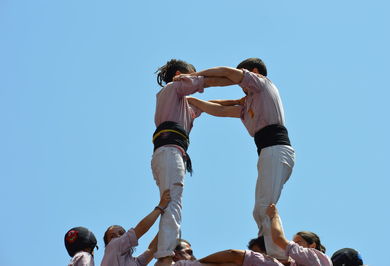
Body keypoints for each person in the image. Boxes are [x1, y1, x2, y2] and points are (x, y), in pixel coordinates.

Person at [175, 58, 295, 260]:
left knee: (265, 207)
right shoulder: (249, 102)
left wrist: (192, 77)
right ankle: (267, 250)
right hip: (268, 151)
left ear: (255, 72)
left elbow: (226, 72)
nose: (239, 84)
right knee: (260, 210)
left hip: (276, 149)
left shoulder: (262, 84)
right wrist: (192, 103)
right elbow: (221, 108)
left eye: (243, 75)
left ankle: (280, 257)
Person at [152, 59, 232, 266]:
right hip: (169, 152)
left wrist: (240, 101)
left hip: (170, 153)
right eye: (192, 75)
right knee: (173, 203)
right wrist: (239, 78)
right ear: (180, 75)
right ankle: (165, 256)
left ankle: (166, 251)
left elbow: (213, 105)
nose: (196, 80)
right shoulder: (173, 88)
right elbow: (208, 81)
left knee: (173, 203)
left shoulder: (182, 103)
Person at [100, 189, 171, 266]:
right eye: (112, 236)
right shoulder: (113, 246)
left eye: (121, 233)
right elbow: (141, 228)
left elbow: (152, 250)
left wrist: (168, 225)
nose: (117, 236)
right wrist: (160, 207)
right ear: (107, 244)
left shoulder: (134, 262)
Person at [266, 204, 333, 266]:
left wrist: (274, 216)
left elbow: (278, 238)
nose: (294, 245)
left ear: (312, 246)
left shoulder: (311, 255)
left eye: (298, 242)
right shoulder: (320, 261)